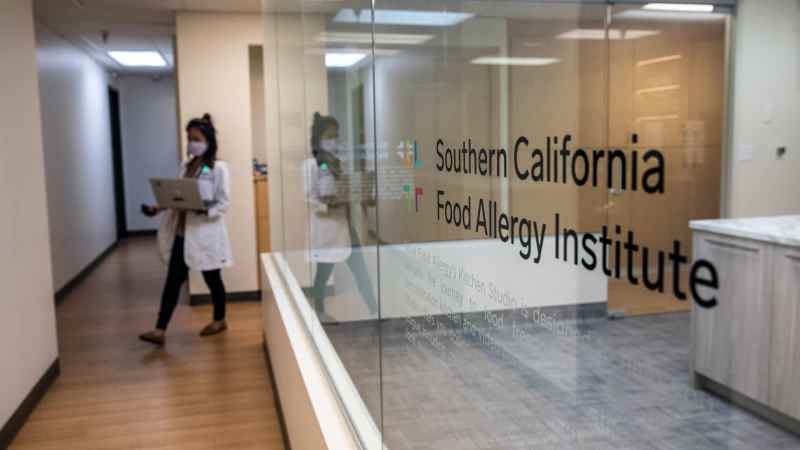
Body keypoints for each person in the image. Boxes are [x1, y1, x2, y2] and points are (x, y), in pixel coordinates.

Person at [139, 113, 233, 346]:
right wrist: (157, 207)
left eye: (196, 138)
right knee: (172, 281)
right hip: (183, 233)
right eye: (189, 138)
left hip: (205, 233)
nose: (192, 143)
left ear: (208, 140)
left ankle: (220, 319)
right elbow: (177, 196)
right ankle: (160, 330)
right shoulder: (185, 165)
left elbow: (224, 202)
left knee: (213, 280)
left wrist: (205, 210)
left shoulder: (219, 168)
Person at [304, 112, 378, 323]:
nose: (332, 140)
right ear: (318, 139)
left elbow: (346, 189)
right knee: (323, 273)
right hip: (326, 227)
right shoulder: (310, 165)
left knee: (360, 269)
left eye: (335, 136)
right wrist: (327, 204)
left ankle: (374, 310)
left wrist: (363, 196)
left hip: (344, 226)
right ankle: (319, 312)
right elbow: (308, 198)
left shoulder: (338, 163)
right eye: (328, 136)